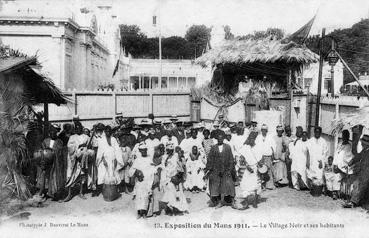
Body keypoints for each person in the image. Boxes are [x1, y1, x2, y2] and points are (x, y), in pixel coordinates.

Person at [205, 132, 236, 208]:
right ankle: (219, 202)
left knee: (229, 184)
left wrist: (230, 169)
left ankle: (231, 201)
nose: (220, 140)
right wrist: (209, 169)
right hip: (216, 170)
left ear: (223, 139)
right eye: (218, 138)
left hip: (226, 170)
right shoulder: (213, 148)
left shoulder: (228, 147)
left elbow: (231, 159)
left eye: (221, 138)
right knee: (216, 185)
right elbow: (210, 159)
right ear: (217, 139)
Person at [233, 131, 262, 210]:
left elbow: (259, 159)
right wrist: (247, 166)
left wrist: (259, 166)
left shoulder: (257, 147)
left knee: (256, 185)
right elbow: (241, 159)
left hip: (255, 168)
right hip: (246, 169)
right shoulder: (245, 147)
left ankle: (255, 201)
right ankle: (245, 201)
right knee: (246, 185)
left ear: (255, 139)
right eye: (250, 138)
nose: (251, 140)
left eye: (253, 138)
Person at [96, 126, 124, 201]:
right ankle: (105, 191)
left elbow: (117, 150)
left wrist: (116, 159)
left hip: (113, 159)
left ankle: (113, 192)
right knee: (105, 175)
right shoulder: (101, 140)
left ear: (111, 132)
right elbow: (100, 151)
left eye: (109, 131)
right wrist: (103, 160)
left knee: (114, 174)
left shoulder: (113, 139)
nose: (108, 133)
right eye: (107, 131)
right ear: (105, 132)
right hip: (104, 160)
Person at [64, 123, 90, 202]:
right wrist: (78, 147)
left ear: (82, 128)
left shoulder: (86, 137)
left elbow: (90, 145)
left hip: (81, 159)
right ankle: (69, 193)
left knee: (81, 175)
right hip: (73, 159)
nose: (78, 129)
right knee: (71, 175)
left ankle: (81, 192)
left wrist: (84, 148)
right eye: (76, 128)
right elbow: (69, 147)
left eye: (79, 128)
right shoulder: (72, 137)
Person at [129, 142, 156, 218]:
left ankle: (144, 212)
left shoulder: (149, 159)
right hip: (140, 181)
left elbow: (153, 169)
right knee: (139, 197)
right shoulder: (137, 160)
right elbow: (131, 170)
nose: (144, 151)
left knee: (145, 197)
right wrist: (137, 172)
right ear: (140, 151)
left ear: (146, 150)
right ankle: (138, 212)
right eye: (142, 150)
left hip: (147, 182)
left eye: (145, 150)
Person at [161, 143, 188, 216]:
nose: (170, 151)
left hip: (176, 177)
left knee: (178, 194)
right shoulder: (164, 157)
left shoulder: (176, 156)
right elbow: (163, 168)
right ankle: (169, 209)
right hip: (167, 178)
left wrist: (178, 176)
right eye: (168, 150)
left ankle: (178, 209)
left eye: (171, 150)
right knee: (170, 193)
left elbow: (181, 166)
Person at [39, 126, 65, 200]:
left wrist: (53, 151)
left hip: (55, 162)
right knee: (44, 177)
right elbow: (42, 149)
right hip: (46, 162)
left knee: (55, 178)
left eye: (54, 133)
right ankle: (44, 193)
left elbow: (60, 151)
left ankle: (55, 194)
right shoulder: (45, 140)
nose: (52, 134)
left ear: (56, 133)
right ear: (49, 133)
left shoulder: (59, 141)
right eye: (51, 133)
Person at [343, 134, 369, 208]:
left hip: (366, 172)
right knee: (357, 184)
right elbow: (357, 157)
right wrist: (350, 163)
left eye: (363, 142)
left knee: (358, 184)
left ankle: (353, 202)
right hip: (363, 172)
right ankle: (355, 201)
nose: (361, 143)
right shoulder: (364, 150)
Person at [306, 127, 328, 195]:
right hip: (312, 161)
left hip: (319, 162)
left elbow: (325, 153)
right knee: (311, 175)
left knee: (319, 175)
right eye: (316, 132)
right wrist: (308, 161)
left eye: (318, 132)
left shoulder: (323, 141)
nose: (317, 133)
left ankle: (318, 190)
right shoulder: (310, 141)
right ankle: (312, 189)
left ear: (320, 133)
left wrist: (321, 161)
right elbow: (308, 151)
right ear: (314, 132)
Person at [333, 129, 354, 198]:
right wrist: (335, 164)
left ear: (348, 137)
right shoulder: (340, 144)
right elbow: (336, 155)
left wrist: (341, 167)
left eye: (346, 136)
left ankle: (344, 194)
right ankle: (335, 193)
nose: (344, 137)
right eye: (343, 135)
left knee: (339, 176)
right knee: (335, 176)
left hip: (345, 168)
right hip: (338, 166)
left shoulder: (349, 146)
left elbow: (349, 158)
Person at [255, 124, 276, 190]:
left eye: (265, 130)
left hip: (268, 156)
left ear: (267, 131)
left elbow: (273, 147)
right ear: (261, 130)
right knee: (261, 171)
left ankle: (269, 185)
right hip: (260, 156)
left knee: (268, 170)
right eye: (263, 130)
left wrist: (273, 155)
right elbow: (256, 147)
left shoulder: (270, 137)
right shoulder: (258, 137)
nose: (264, 131)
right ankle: (261, 185)